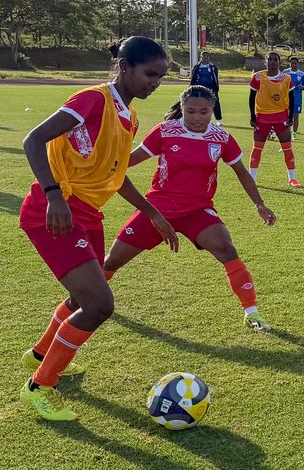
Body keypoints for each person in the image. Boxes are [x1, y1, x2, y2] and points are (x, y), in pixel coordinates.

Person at [18, 37, 178, 421]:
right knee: (99, 304)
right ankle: (40, 386)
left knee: (82, 297)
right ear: (124, 67)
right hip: (55, 210)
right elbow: (33, 140)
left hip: (88, 213)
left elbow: (117, 175)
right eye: (149, 73)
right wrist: (54, 196)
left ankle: (40, 354)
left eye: (161, 76)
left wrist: (152, 212)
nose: (155, 83)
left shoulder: (130, 116)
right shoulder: (93, 100)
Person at [103, 85, 277, 332]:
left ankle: (252, 313)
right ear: (182, 109)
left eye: (204, 112)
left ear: (212, 110)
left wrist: (259, 204)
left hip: (198, 210)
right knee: (112, 261)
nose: (197, 117)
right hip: (158, 209)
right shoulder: (165, 131)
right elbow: (129, 161)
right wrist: (104, 162)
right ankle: (88, 301)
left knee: (226, 248)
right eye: (190, 111)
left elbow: (241, 172)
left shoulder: (222, 138)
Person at [248, 51, 301, 187]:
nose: (272, 61)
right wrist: (253, 116)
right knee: (257, 148)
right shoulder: (258, 77)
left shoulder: (286, 78)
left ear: (279, 62)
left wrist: (290, 117)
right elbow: (251, 97)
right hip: (262, 116)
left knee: (287, 147)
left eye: (275, 59)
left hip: (281, 116)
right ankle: (252, 178)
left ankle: (292, 179)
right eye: (270, 59)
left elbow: (291, 98)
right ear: (266, 62)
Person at [190, 51, 222, 126]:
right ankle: (199, 118)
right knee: (199, 103)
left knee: (215, 103)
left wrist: (216, 87)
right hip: (199, 88)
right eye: (204, 56)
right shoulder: (197, 67)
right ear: (201, 58)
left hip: (211, 88)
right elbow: (193, 77)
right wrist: (192, 87)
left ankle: (219, 119)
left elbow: (215, 78)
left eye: (207, 57)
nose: (205, 58)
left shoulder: (213, 67)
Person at [286, 56, 304, 134]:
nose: (293, 65)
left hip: (297, 99)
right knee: (287, 117)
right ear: (290, 64)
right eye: (292, 63)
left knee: (296, 116)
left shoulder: (301, 74)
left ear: (297, 64)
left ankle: (294, 133)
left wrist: (302, 87)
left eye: (295, 63)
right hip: (287, 98)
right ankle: (286, 132)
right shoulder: (286, 72)